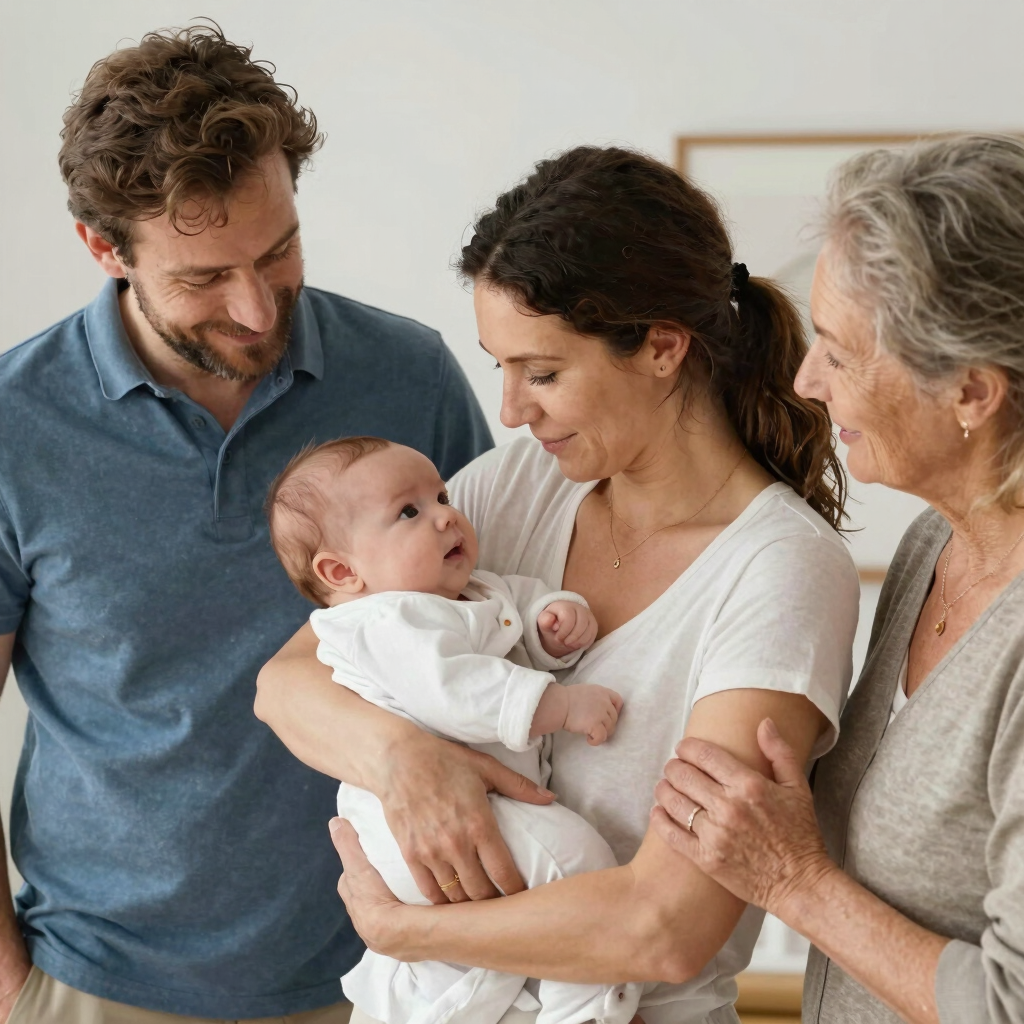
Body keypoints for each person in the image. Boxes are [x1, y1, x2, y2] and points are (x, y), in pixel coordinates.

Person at [255, 145, 861, 1024]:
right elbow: (289, 683)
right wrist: (407, 759)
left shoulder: (780, 572)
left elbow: (665, 927)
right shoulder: (516, 486)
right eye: (499, 366)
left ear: (661, 346)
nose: (509, 409)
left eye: (541, 373)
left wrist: (406, 931)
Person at [0, 24, 492, 1024]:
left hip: (393, 974)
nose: (258, 310)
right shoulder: (15, 424)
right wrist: (14, 987)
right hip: (96, 985)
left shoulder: (409, 375)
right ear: (105, 250)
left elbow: (499, 618)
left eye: (278, 252)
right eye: (202, 278)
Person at [649, 132, 1024, 1024]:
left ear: (972, 393)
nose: (809, 381)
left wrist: (793, 880)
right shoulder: (936, 544)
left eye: (842, 352)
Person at [266, 435, 633, 1024]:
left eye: (440, 494)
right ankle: (589, 1012)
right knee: (578, 866)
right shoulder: (382, 621)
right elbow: (457, 693)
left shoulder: (470, 590)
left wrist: (552, 624)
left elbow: (513, 617)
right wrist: (561, 707)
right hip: (410, 826)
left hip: (475, 811)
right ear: (342, 570)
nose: (445, 514)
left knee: (469, 974)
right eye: (408, 512)